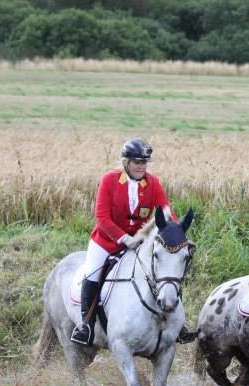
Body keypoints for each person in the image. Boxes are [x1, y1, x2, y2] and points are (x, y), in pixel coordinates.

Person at [71, 138, 178, 345]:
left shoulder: (153, 183)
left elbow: (166, 211)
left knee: (166, 272)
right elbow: (102, 217)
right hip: (106, 242)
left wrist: (174, 228)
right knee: (92, 273)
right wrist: (123, 238)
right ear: (126, 162)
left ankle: (176, 324)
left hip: (139, 244)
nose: (141, 167)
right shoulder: (110, 180)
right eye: (137, 162)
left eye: (144, 162)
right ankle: (86, 324)